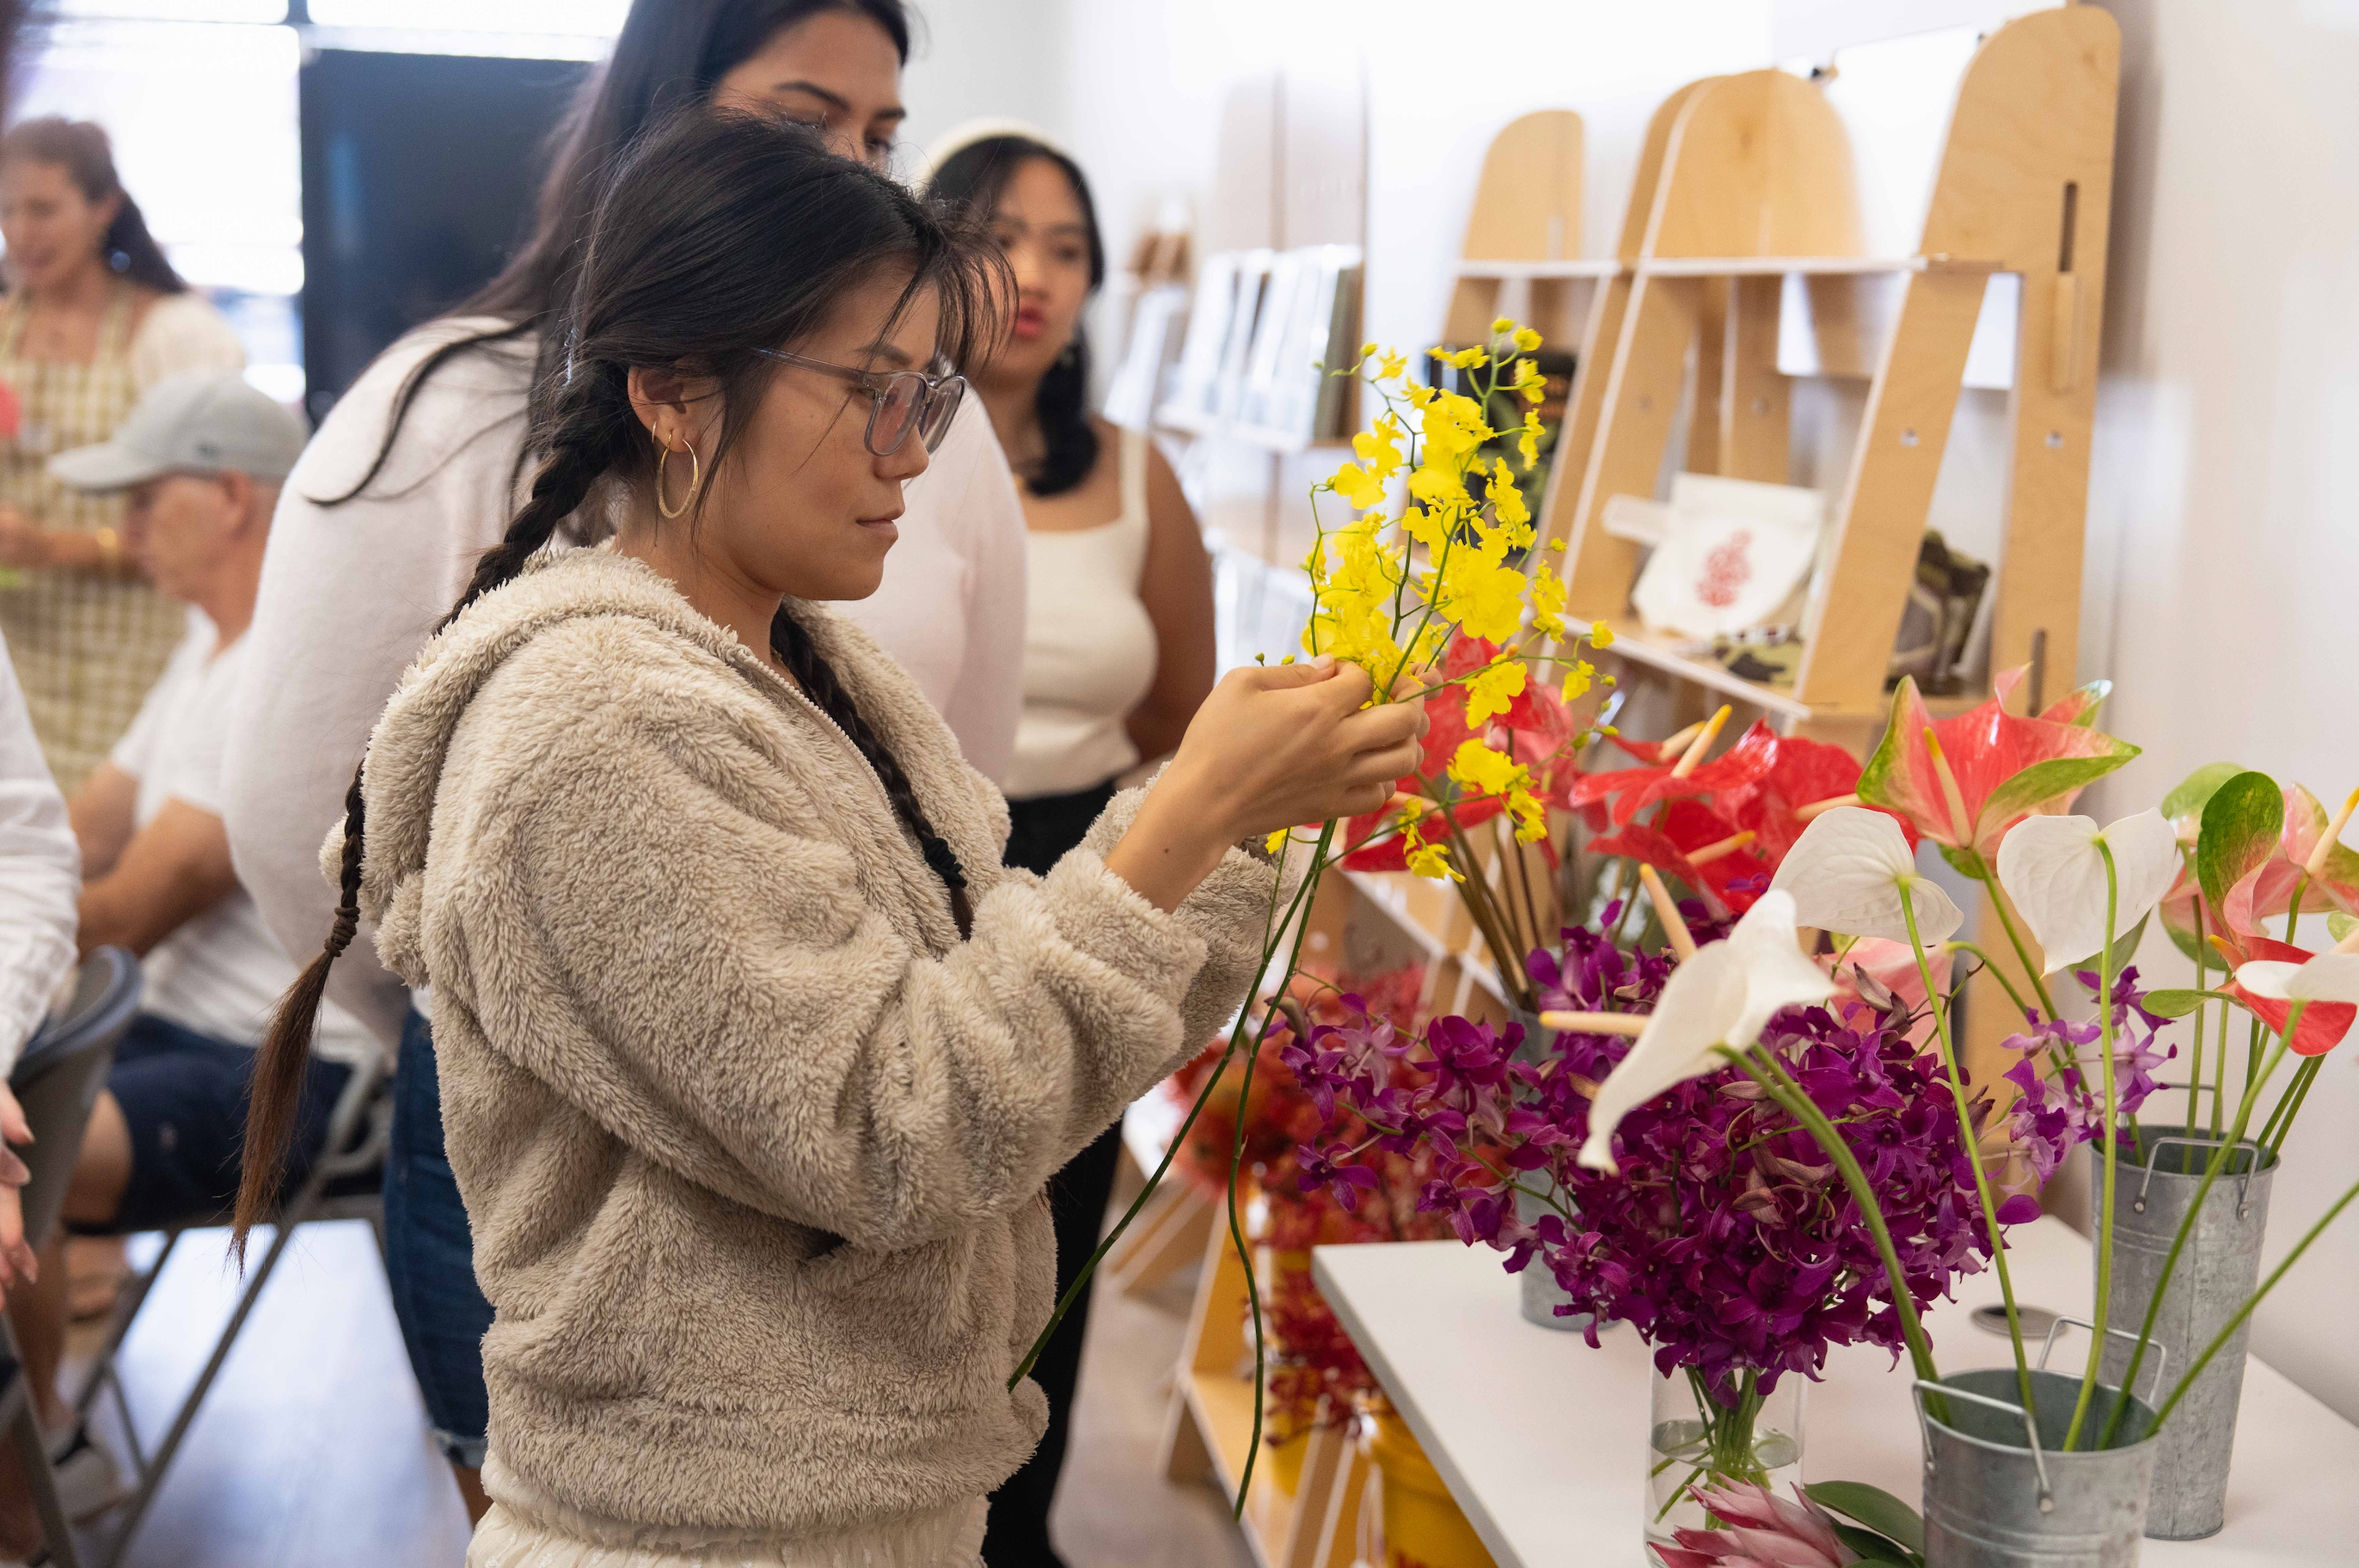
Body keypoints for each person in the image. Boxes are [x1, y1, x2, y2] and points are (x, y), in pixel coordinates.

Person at [236, 108, 1417, 1568]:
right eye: (868, 391)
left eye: (928, 397)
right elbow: (898, 1125)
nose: (909, 454)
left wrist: (1236, 827)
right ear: (669, 388)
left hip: (860, 1510)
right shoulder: (591, 727)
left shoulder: (811, 668)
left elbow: (993, 1036)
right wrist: (1189, 812)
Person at [219, 0, 1027, 1522]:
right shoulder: (442, 412)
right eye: (803, 125)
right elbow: (304, 815)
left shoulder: (925, 439)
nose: (853, 170)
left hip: (880, 1128)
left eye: (880, 136)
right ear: (656, 114)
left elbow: (956, 797)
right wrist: (537, 1009)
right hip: (598, 1172)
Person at [0, 373, 371, 1550]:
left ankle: (40, 1456)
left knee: (19, 1143)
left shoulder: (282, 667)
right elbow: (72, 831)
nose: (127, 528)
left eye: (147, 499)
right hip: (180, 1033)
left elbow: (121, 913)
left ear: (230, 497)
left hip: (285, 1076)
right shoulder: (210, 648)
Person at [926, 125, 1217, 1568]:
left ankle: (1019, 1534)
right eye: (992, 236)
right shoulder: (879, 452)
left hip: (1096, 870)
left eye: (1063, 246)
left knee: (1054, 1253)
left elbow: (1182, 721)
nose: (1028, 276)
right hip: (920, 882)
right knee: (915, 1236)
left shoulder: (1140, 478)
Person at [0, 117, 246, 793]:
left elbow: (224, 532)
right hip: (19, 664)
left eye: (43, 208)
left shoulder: (171, 337)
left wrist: (51, 547)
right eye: (8, 211)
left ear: (103, 208)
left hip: (136, 663)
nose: (23, 231)